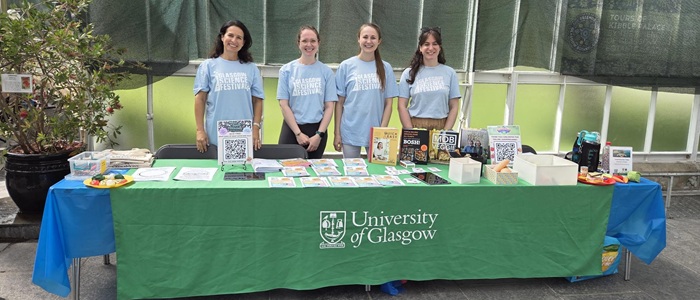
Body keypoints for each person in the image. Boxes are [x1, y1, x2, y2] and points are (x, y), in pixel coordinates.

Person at [194, 20, 264, 153]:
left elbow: (258, 100)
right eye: (230, 35)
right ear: (222, 37)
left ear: (243, 42)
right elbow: (200, 99)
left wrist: (256, 128)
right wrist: (200, 130)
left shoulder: (251, 68)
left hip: (244, 134)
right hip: (215, 135)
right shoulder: (208, 66)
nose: (234, 40)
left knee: (242, 171)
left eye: (239, 37)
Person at [334, 23, 398, 158]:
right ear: (358, 39)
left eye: (373, 38)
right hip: (350, 131)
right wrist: (337, 134)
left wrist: (382, 132)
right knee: (352, 173)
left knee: (378, 174)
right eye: (365, 37)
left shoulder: (386, 68)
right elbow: (339, 103)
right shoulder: (346, 66)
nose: (369, 41)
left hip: (376, 133)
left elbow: (388, 104)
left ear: (379, 41)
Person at [277, 25, 337, 159]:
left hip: (316, 132)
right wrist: (298, 134)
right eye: (304, 41)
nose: (309, 45)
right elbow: (284, 104)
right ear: (298, 43)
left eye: (313, 41)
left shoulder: (326, 72)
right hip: (292, 130)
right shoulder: (286, 70)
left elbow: (329, 107)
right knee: (287, 171)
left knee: (313, 175)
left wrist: (319, 135)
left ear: (318, 43)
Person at [397, 27, 461, 131]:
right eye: (426, 44)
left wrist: (445, 131)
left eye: (434, 44)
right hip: (415, 126)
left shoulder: (450, 73)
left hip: (441, 127)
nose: (430, 48)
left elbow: (454, 106)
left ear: (440, 47)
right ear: (420, 48)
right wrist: (410, 131)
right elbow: (401, 106)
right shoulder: (408, 73)